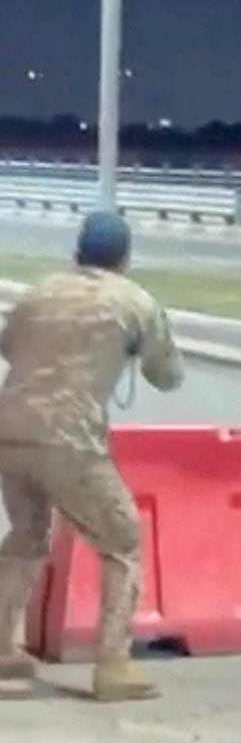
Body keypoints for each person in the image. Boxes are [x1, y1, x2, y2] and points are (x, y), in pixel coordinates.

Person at [0, 210, 184, 701]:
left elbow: (8, 346)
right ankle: (113, 665)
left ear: (77, 251)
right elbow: (166, 375)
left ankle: (0, 648)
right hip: (70, 439)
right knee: (121, 539)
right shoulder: (134, 301)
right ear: (125, 257)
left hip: (10, 432)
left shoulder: (38, 293)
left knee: (25, 535)